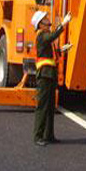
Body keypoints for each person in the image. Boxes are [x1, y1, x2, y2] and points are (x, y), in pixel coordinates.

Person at [31, 10, 72, 146]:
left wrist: (62, 50)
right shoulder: (41, 35)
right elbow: (52, 36)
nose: (48, 21)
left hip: (50, 74)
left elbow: (50, 53)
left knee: (49, 107)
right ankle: (38, 136)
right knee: (42, 106)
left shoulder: (45, 37)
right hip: (44, 75)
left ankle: (48, 135)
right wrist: (63, 23)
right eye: (45, 19)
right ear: (40, 24)